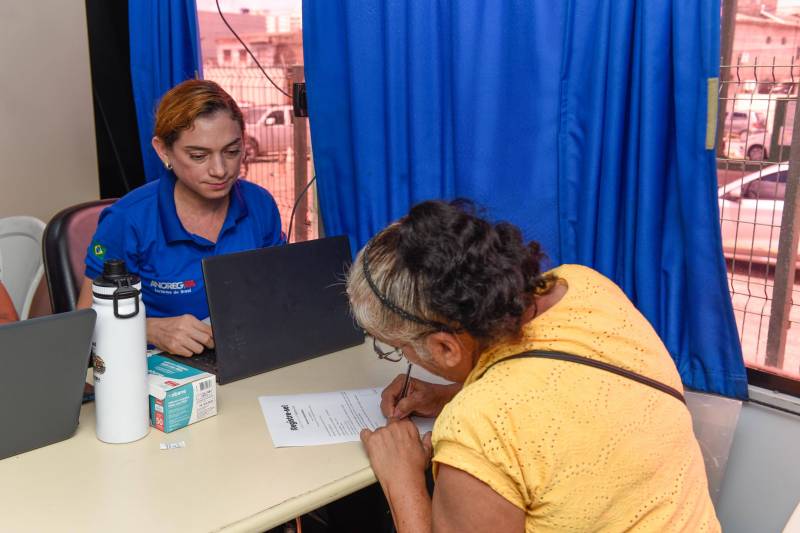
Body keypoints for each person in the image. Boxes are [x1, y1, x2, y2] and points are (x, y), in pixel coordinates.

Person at [346, 200, 720, 532]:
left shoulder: (475, 428)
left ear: (445, 347)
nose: (405, 358)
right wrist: (449, 394)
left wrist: (402, 479)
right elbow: (565, 391)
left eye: (398, 349)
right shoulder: (582, 285)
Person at [77, 80, 284, 356]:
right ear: (163, 151)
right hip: (155, 367)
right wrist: (148, 329)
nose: (220, 170)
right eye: (199, 156)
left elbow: (278, 292)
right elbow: (85, 323)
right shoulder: (128, 220)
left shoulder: (260, 204)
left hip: (245, 354)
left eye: (232, 151)